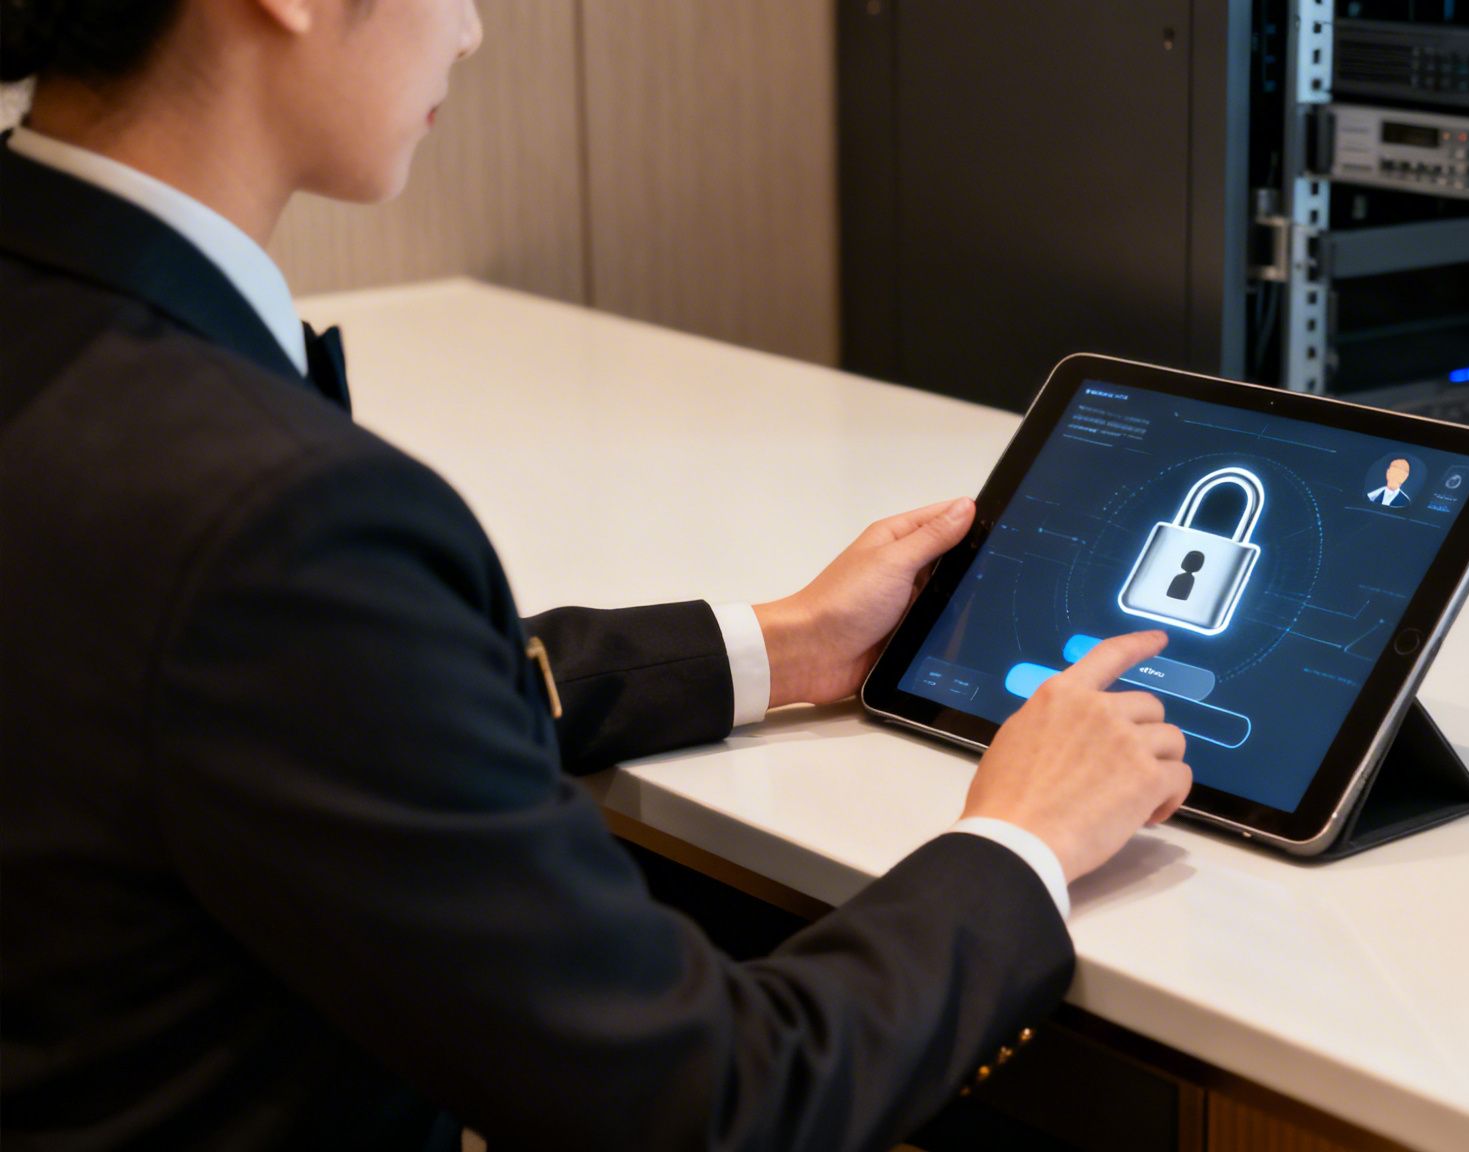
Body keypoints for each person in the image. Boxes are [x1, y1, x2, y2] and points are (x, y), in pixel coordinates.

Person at [0, 1, 1192, 1148]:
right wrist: (1020, 838)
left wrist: (782, 644)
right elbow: (716, 1102)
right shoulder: (272, 520)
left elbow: (310, 693)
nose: (468, 30)